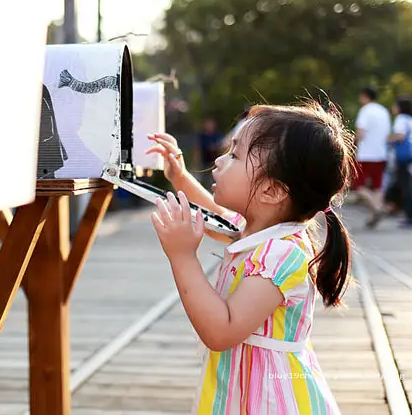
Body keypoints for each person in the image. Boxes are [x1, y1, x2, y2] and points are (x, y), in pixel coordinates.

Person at [145, 101, 352, 415]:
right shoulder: (259, 229)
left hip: (271, 399)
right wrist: (180, 177)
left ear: (271, 191)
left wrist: (182, 256)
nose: (219, 161)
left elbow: (221, 330)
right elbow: (217, 217)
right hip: (245, 389)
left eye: (234, 155)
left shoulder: (281, 254)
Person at [353, 87, 391, 229]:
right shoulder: (383, 111)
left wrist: (352, 142)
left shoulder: (365, 110)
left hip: (366, 154)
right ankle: (373, 216)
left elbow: (361, 133)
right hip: (380, 153)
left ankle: (378, 209)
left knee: (358, 185)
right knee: (377, 187)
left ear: (364, 96)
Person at [389, 96, 412, 229]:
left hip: (403, 157)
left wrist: (388, 140)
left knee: (406, 187)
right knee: (408, 186)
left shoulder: (401, 119)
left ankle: (411, 216)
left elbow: (400, 136)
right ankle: (410, 215)